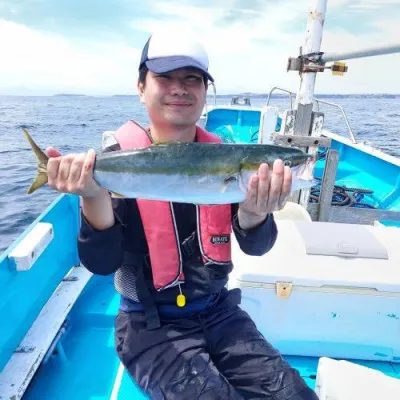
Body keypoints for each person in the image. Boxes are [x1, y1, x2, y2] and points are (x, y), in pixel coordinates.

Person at [46, 30, 318, 399]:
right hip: (149, 327)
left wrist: (255, 211)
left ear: (205, 92)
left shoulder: (224, 158)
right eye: (164, 78)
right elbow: (101, 262)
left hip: (220, 312)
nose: (180, 88)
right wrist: (93, 195)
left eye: (192, 79)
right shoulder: (118, 164)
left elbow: (256, 247)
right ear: (141, 87)